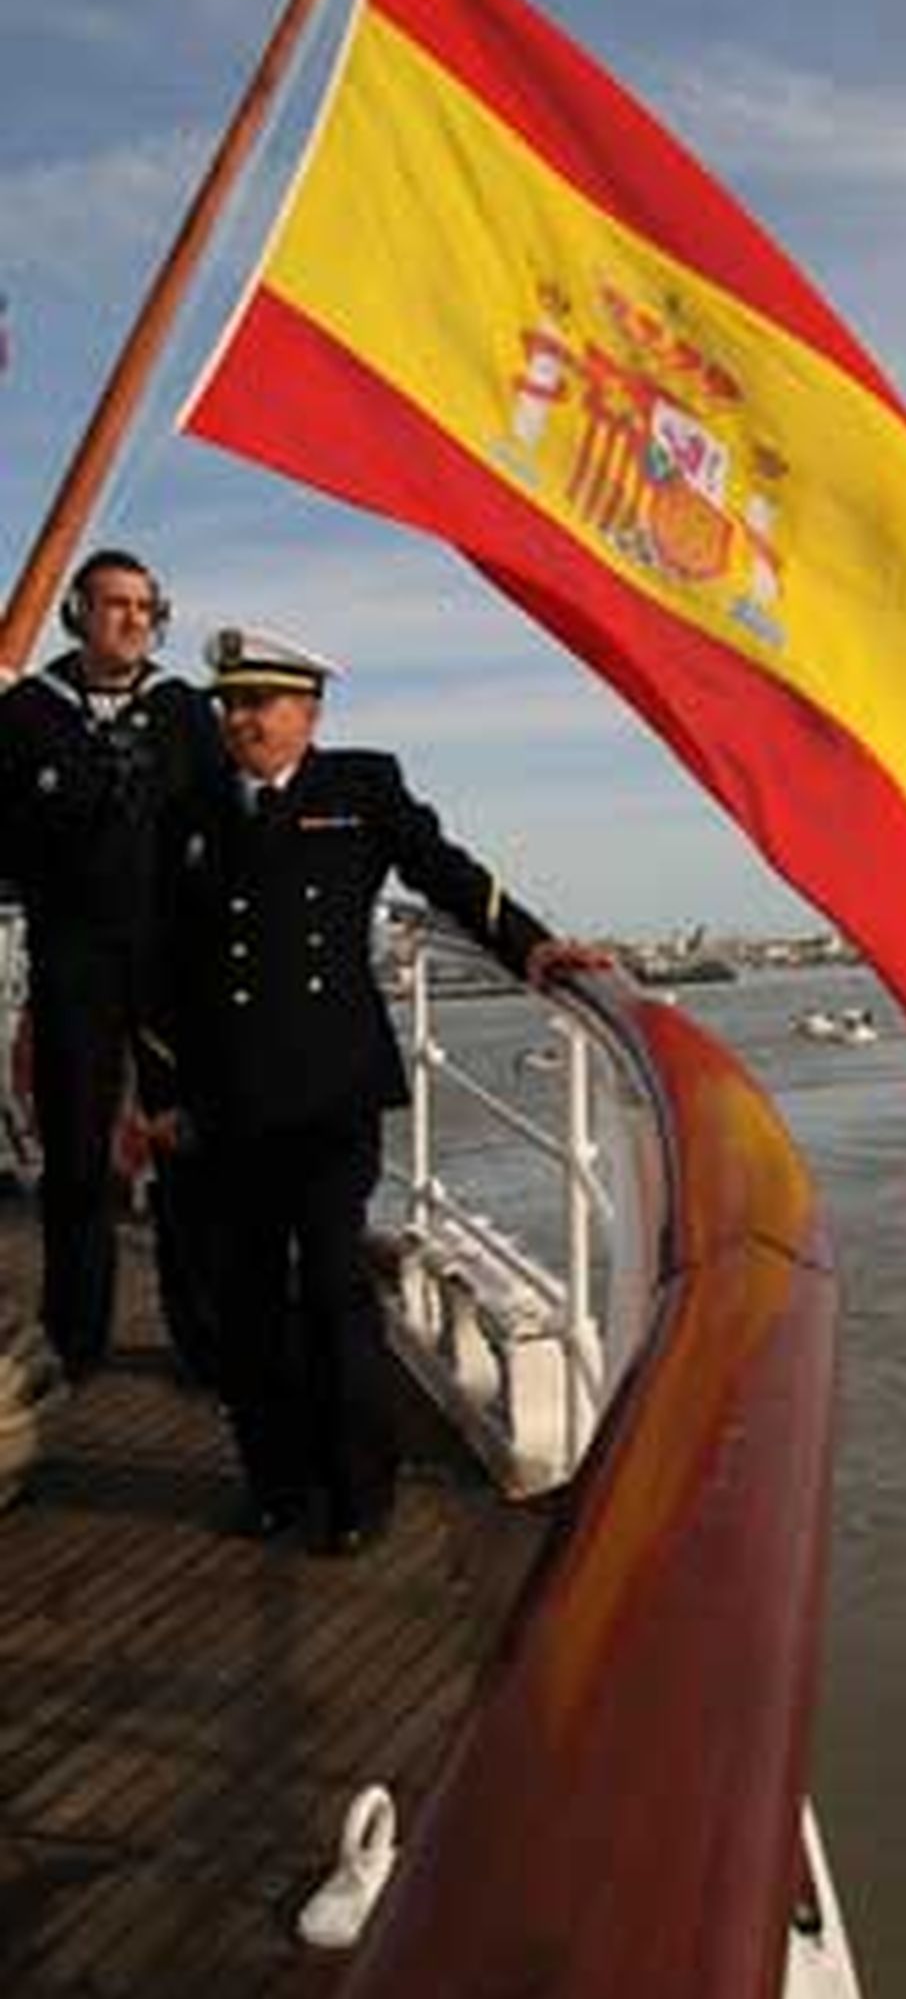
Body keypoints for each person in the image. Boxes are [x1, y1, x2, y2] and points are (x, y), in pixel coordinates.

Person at [145, 627, 600, 1554]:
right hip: (224, 1101)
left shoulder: (360, 788)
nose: (240, 719)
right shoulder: (187, 808)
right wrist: (159, 1090)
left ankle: (359, 1492)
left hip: (328, 1094)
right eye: (229, 703)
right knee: (246, 1307)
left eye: (260, 703)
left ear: (309, 714)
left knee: (333, 1292)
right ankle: (275, 1483)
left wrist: (531, 944)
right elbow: (159, 964)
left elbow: (445, 871)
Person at [0, 548, 224, 1385]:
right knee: (76, 1163)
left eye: (146, 607)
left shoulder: (181, 714)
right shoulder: (26, 715)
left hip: (168, 967)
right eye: (117, 604)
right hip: (74, 963)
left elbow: (224, 828)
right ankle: (77, 1342)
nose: (134, 619)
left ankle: (204, 1341)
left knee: (188, 1157)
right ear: (77, 614)